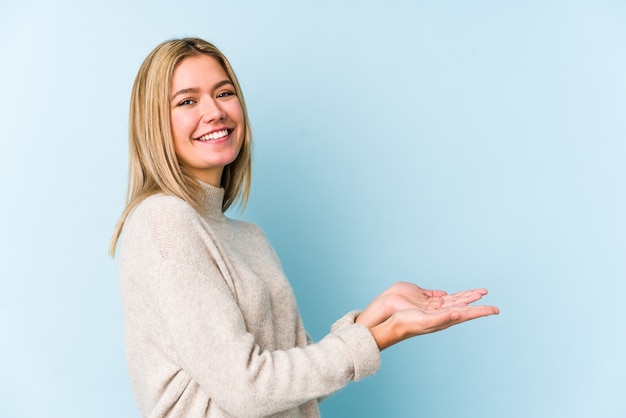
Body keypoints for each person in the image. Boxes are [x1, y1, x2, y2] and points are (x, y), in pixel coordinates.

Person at [109, 37, 499, 418]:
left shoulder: (249, 238)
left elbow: (292, 390)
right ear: (155, 122)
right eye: (188, 101)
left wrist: (375, 316)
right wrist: (385, 333)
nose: (214, 111)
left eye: (224, 93)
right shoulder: (163, 221)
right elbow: (249, 390)